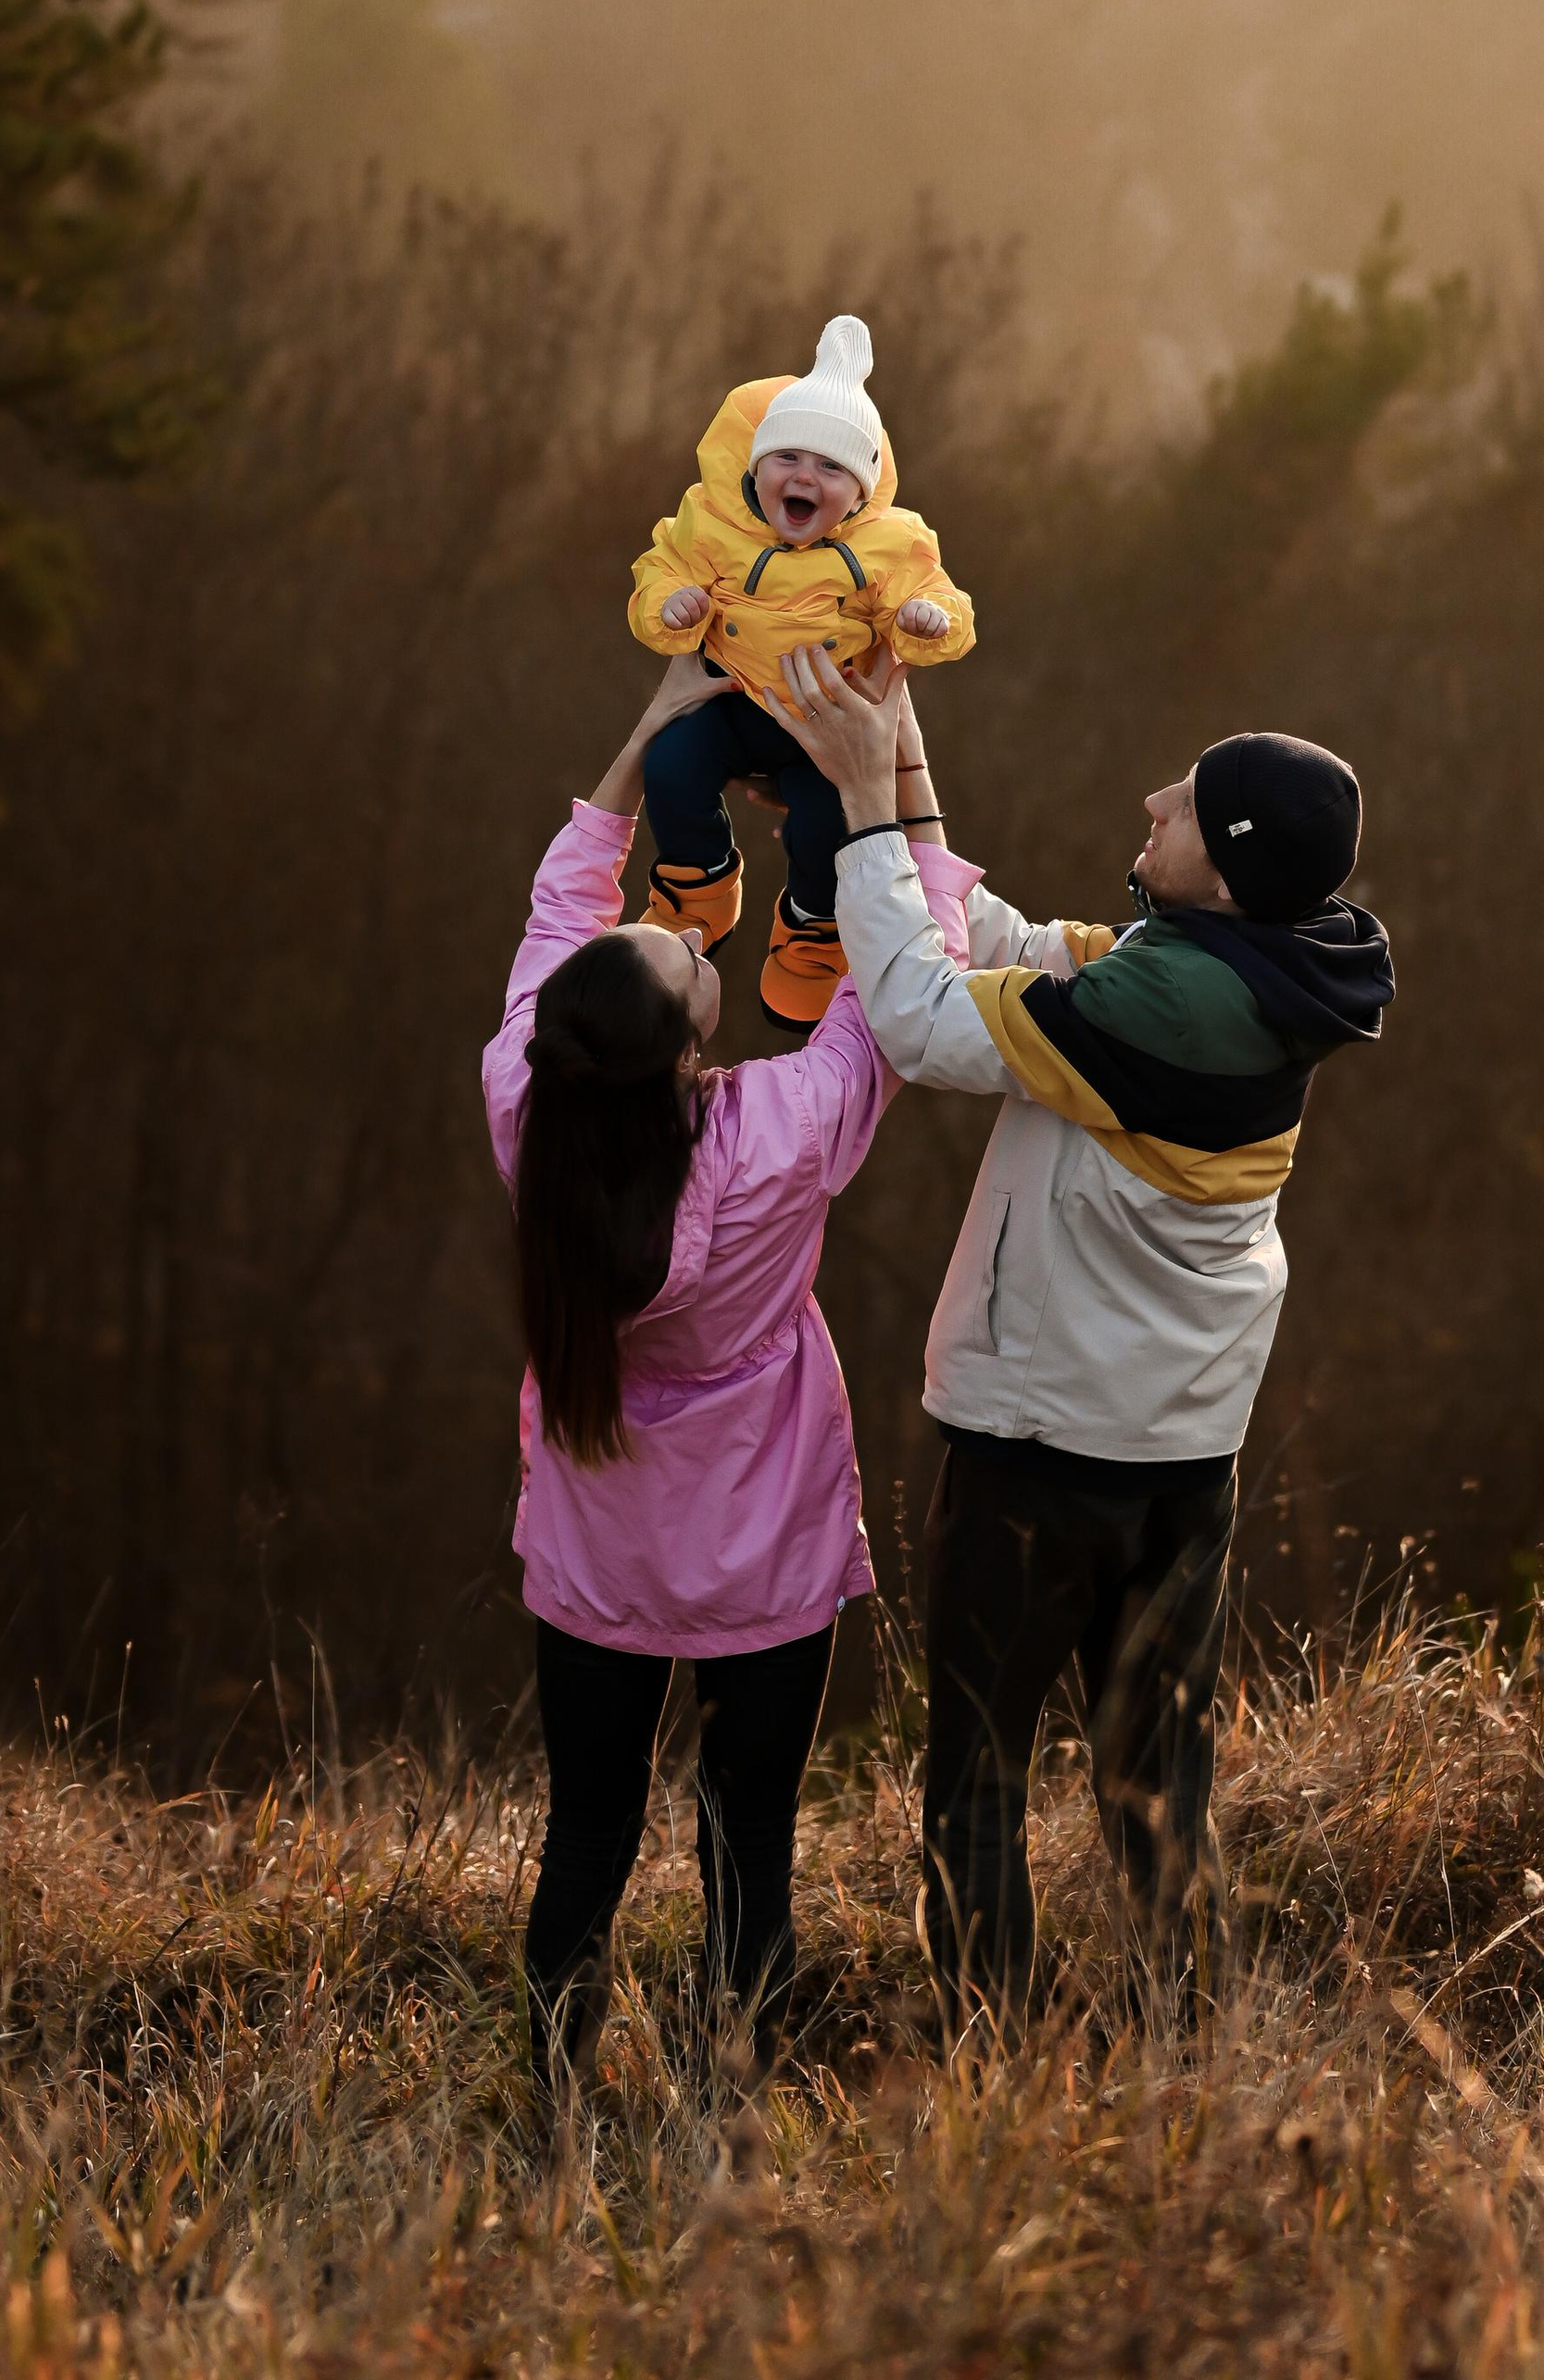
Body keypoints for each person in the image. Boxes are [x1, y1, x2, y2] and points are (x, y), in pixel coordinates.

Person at [765, 649, 1395, 2036]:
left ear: (1225, 871)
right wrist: (900, 756)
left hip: (1043, 1453)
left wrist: (860, 817)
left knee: (978, 1776)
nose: (1154, 799)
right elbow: (1002, 945)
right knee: (1157, 1779)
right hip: (1180, 1457)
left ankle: (992, 2059)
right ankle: (1192, 2050)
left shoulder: (1164, 1004)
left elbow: (925, 1018)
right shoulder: (1250, 970)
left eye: (1189, 804)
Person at [482, 650, 972, 2106]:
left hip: (598, 1550)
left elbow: (560, 918)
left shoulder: (529, 1111)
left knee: (587, 1837)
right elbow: (909, 979)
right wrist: (894, 766)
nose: (689, 939)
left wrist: (644, 739)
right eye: (687, 960)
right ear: (690, 1035)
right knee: (749, 1841)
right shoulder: (784, 1130)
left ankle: (554, 2107)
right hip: (770, 1550)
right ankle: (725, 2110)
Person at [627, 314, 974, 1028]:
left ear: (862, 493)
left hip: (827, 722)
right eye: (786, 456)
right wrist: (672, 603)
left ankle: (813, 928)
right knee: (669, 767)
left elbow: (934, 594)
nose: (804, 476)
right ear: (755, 467)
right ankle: (699, 885)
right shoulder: (713, 521)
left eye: (832, 468)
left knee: (828, 826)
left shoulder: (886, 544)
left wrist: (925, 620)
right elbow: (662, 566)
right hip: (731, 696)